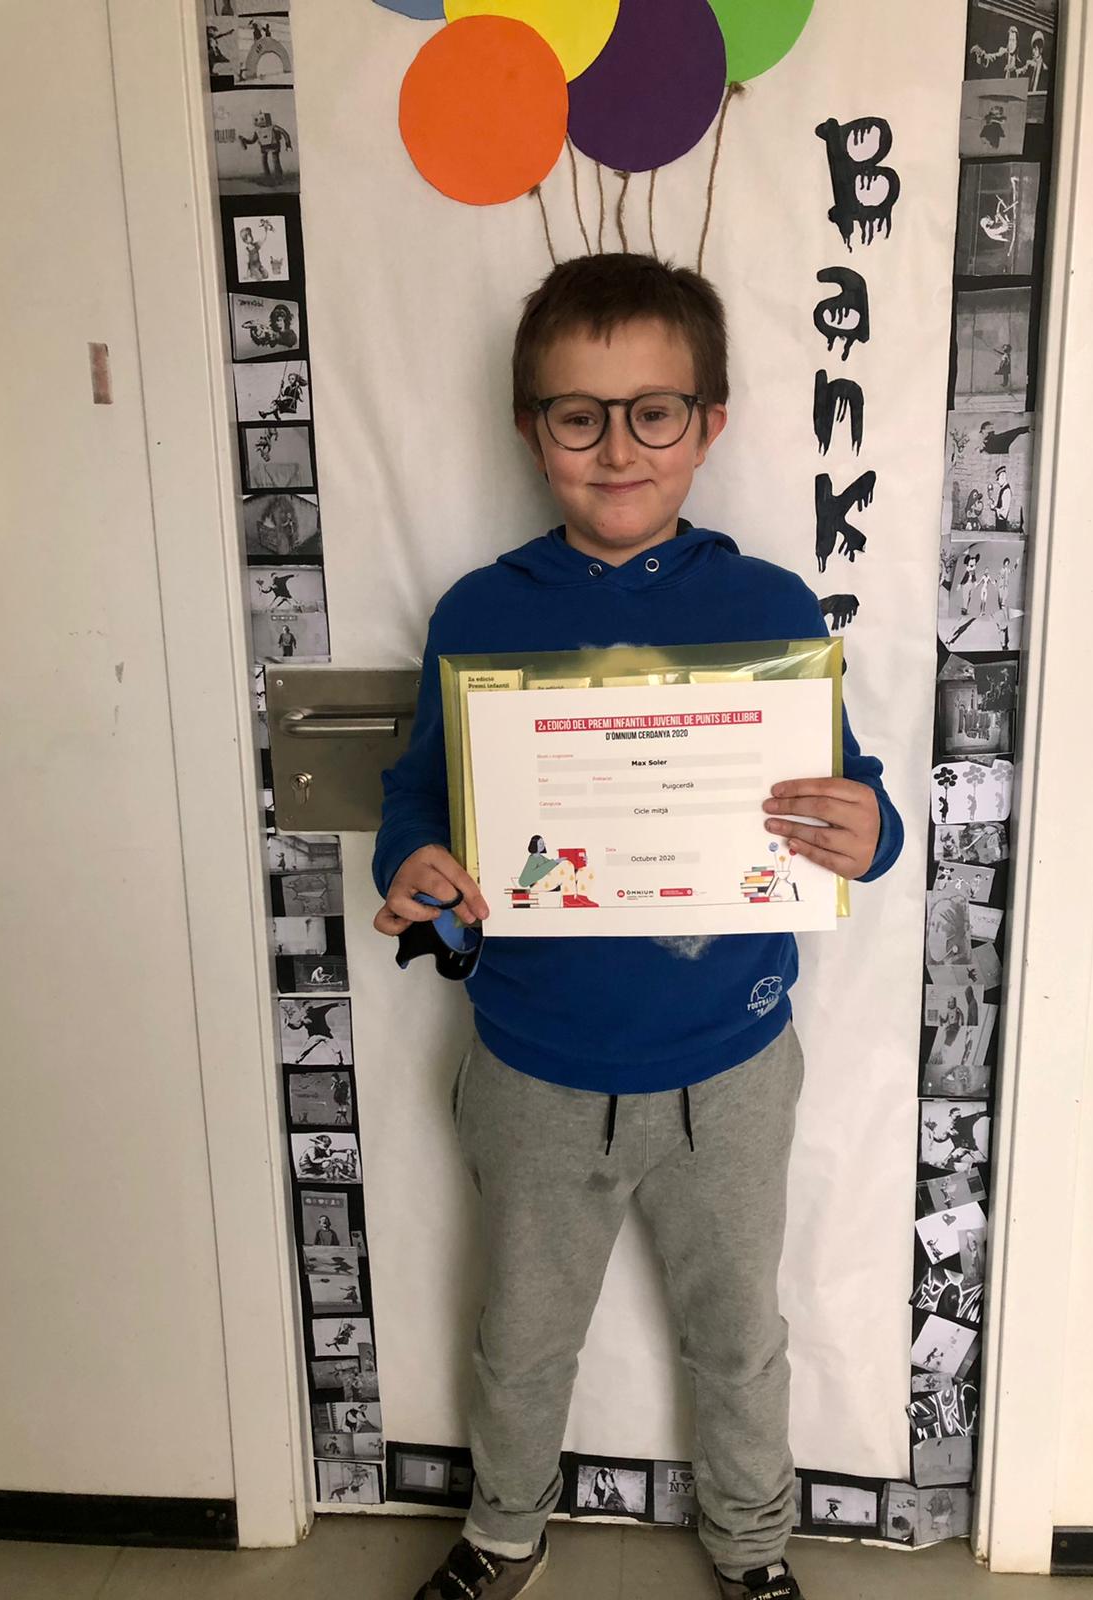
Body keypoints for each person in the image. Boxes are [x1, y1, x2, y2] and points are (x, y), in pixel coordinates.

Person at [371, 254, 904, 1600]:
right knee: (522, 1334)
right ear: (530, 428)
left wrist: (875, 830)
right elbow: (421, 798)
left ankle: (755, 1547)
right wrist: (413, 864)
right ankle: (504, 1533)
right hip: (532, 1067)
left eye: (654, 411)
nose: (618, 448)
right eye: (580, 415)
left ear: (709, 424)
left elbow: (847, 793)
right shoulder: (481, 613)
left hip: (731, 1066)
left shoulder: (770, 609)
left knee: (739, 1335)